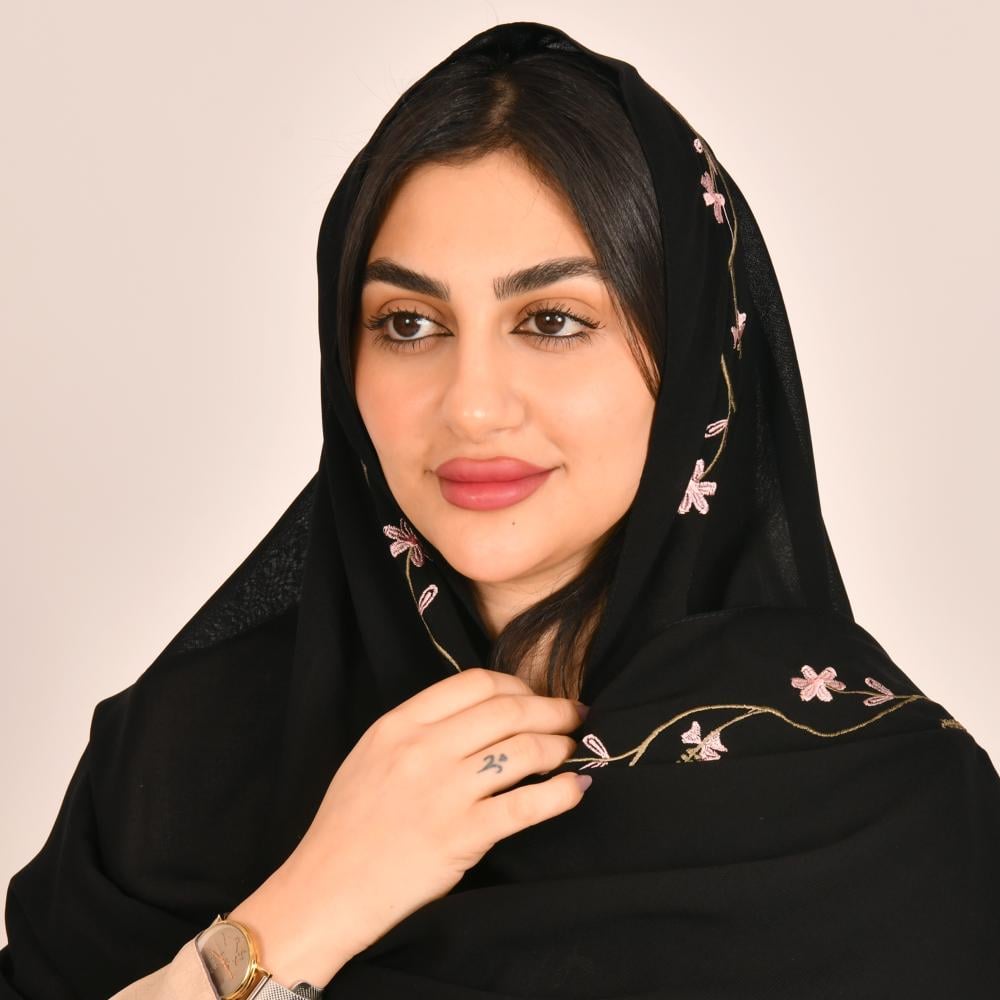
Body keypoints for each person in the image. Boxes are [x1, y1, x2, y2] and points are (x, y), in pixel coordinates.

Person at [3, 19, 999, 999]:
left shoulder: (880, 812)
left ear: (694, 356)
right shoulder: (183, 754)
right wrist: (304, 909)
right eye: (407, 323)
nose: (472, 405)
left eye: (552, 320)